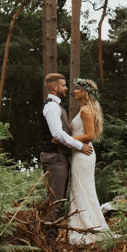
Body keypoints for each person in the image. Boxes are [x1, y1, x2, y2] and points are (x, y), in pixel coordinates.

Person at [40, 73, 93, 243]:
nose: (66, 88)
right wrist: (80, 146)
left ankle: (50, 238)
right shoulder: (52, 107)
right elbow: (57, 134)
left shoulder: (57, 106)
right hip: (54, 157)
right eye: (63, 85)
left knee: (57, 199)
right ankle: (49, 242)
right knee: (56, 201)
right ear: (54, 87)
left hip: (59, 157)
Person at [66, 78, 110, 245]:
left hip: (83, 155)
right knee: (81, 190)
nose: (74, 91)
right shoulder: (83, 109)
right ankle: (83, 227)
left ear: (84, 92)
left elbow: (90, 136)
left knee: (83, 191)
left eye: (77, 88)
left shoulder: (85, 110)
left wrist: (67, 139)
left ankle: (87, 229)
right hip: (81, 154)